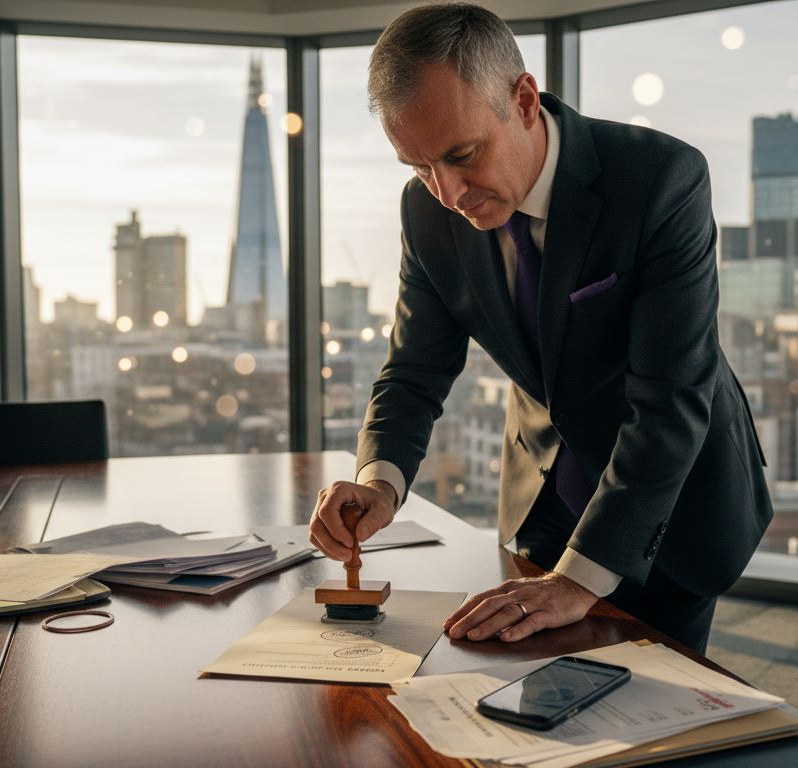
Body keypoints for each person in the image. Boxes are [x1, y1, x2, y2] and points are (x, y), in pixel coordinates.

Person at [308, 2, 772, 654]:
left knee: (656, 694)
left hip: (663, 504)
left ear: (524, 100)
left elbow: (669, 402)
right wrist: (378, 482)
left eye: (462, 154)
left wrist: (579, 581)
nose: (449, 193)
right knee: (517, 684)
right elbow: (415, 368)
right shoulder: (427, 212)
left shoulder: (659, 180)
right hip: (542, 493)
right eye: (419, 166)